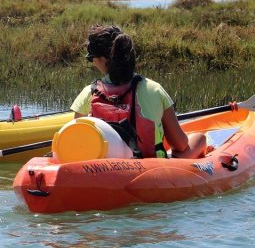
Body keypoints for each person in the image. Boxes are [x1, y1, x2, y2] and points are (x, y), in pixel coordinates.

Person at [71, 24, 206, 159]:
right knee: (200, 139)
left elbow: (79, 145)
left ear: (103, 59)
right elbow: (180, 145)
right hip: (149, 168)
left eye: (91, 58)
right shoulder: (154, 89)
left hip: (103, 172)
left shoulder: (87, 93)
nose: (92, 62)